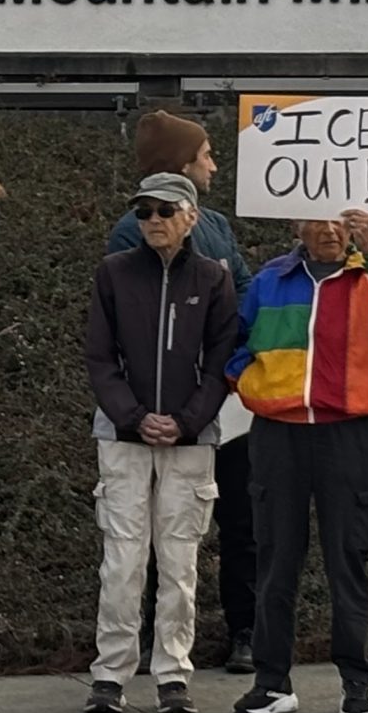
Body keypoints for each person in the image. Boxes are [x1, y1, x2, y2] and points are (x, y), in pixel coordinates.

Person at [227, 207, 368, 713]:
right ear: (295, 224)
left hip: (351, 433)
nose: (328, 229)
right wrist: (251, 383)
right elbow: (235, 344)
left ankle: (357, 685)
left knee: (349, 560)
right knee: (275, 558)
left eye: (340, 220)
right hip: (280, 433)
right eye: (315, 218)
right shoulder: (271, 278)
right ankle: (271, 683)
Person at [81, 172, 240, 713]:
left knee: (179, 561)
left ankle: (173, 673)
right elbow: (99, 357)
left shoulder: (215, 279)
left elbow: (223, 362)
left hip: (190, 440)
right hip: (124, 438)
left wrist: (188, 421)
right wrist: (133, 415)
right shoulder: (114, 274)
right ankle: (110, 674)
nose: (152, 221)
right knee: (121, 559)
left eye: (164, 211)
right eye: (144, 211)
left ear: (191, 216)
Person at [105, 110, 258, 674]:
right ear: (180, 166)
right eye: (206, 154)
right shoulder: (132, 231)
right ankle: (148, 639)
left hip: (220, 399)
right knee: (149, 529)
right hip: (161, 407)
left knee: (240, 520)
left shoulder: (215, 222)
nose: (214, 163)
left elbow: (242, 291)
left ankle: (246, 629)